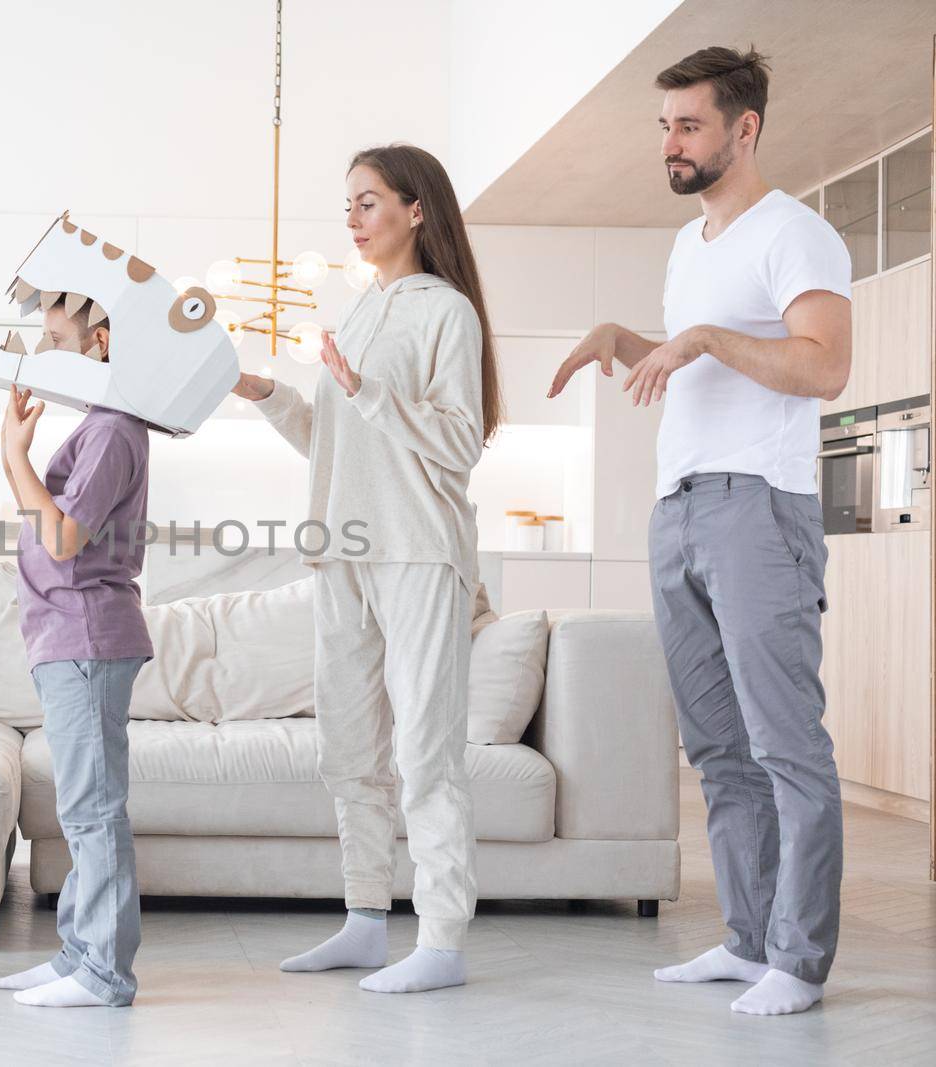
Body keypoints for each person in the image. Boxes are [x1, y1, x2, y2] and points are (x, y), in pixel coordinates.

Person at [549, 46, 851, 1017]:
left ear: (743, 128)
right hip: (677, 506)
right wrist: (626, 340)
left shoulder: (793, 234)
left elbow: (821, 368)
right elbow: (693, 359)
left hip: (758, 506)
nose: (669, 143)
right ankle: (744, 937)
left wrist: (706, 339)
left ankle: (797, 963)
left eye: (687, 124)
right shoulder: (693, 244)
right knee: (717, 748)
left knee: (782, 744)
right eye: (664, 126)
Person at [234, 142, 502, 994]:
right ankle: (363, 920)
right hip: (344, 550)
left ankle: (443, 940)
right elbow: (333, 443)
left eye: (368, 203)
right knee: (349, 746)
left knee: (426, 748)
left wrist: (368, 394)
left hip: (419, 552)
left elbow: (460, 442)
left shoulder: (444, 313)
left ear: (416, 210)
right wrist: (268, 395)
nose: (351, 220)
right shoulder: (355, 317)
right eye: (347, 206)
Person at [0, 295, 154, 1008]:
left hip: (86, 634)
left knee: (94, 810)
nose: (44, 349)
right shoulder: (96, 427)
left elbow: (62, 538)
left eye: (56, 336)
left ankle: (104, 972)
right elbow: (48, 517)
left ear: (101, 341)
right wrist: (17, 453)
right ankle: (78, 956)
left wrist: (14, 455)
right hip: (66, 636)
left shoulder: (114, 430)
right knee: (81, 808)